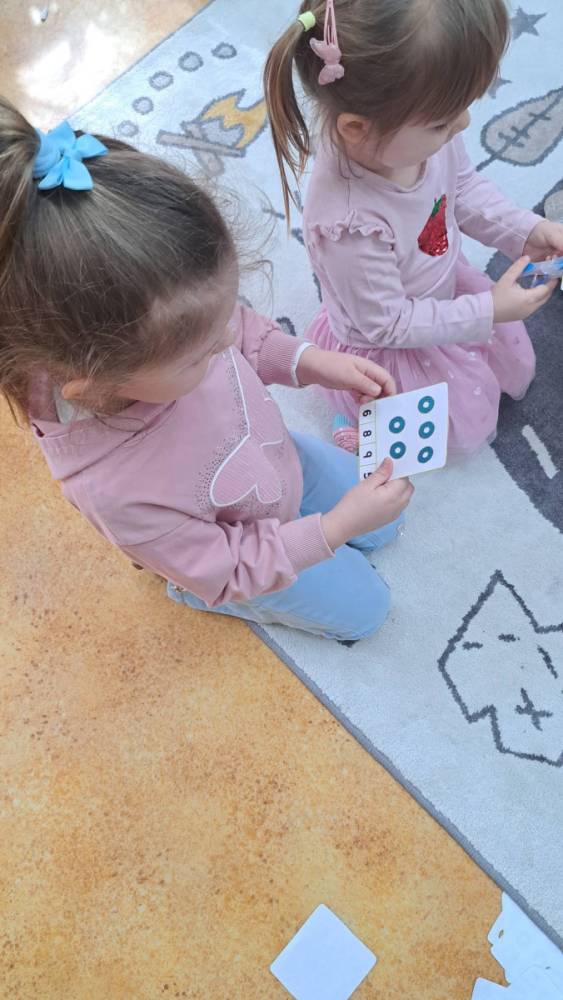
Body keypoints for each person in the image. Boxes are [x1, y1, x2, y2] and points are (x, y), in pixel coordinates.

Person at [0, 98, 413, 642]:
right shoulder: (117, 490)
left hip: (272, 460)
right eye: (199, 354)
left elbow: (241, 331)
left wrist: (310, 362)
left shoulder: (170, 331)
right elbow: (227, 566)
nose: (227, 341)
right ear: (96, 380)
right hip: (233, 549)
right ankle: (190, 590)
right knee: (368, 612)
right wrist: (333, 530)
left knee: (388, 519)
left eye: (224, 315)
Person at [264, 0, 563, 454]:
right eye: (443, 122)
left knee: (500, 363)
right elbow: (388, 324)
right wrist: (487, 310)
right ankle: (357, 414)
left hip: (438, 283)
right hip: (391, 340)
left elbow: (461, 187)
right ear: (356, 128)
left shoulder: (419, 133)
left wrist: (525, 230)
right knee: (439, 421)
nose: (463, 124)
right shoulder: (348, 225)